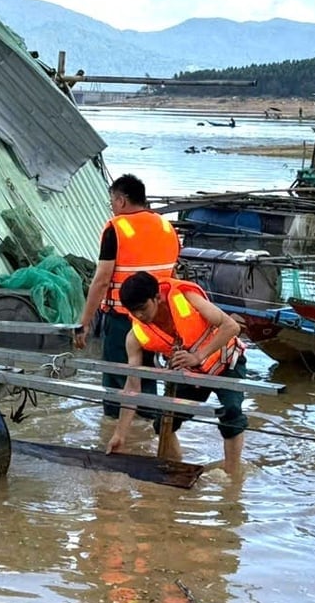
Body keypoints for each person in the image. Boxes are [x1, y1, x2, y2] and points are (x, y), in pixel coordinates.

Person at [110, 271, 248, 474]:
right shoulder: (134, 336)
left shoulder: (187, 298)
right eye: (133, 311)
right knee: (164, 422)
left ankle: (233, 477)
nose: (139, 316)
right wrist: (119, 435)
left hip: (226, 362)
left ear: (157, 297)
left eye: (143, 308)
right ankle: (176, 470)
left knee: (232, 415)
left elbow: (231, 326)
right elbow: (132, 386)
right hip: (192, 375)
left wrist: (199, 356)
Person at [73, 174, 181, 420]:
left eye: (112, 200)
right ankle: (149, 432)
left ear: (122, 200)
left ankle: (117, 434)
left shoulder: (116, 228)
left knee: (118, 380)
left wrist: (85, 322)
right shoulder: (166, 227)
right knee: (147, 374)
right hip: (157, 318)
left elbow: (101, 281)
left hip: (124, 317)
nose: (111, 206)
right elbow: (173, 274)